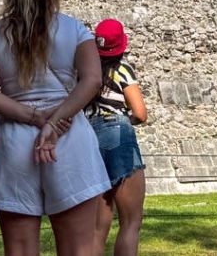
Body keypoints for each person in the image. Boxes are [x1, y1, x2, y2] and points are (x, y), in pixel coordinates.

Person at [0, 0, 110, 256]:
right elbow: (91, 80)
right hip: (68, 137)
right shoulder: (74, 28)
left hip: (14, 141)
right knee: (79, 248)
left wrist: (33, 117)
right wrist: (56, 119)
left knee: (19, 250)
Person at [86, 19, 148, 256]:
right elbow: (140, 113)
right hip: (117, 133)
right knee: (131, 222)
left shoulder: (84, 71)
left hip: (90, 135)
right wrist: (126, 121)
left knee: (97, 228)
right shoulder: (122, 69)